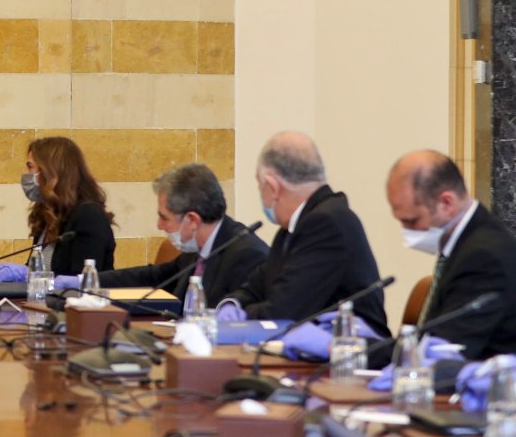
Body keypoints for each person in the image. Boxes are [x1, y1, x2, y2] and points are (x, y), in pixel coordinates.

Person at [219, 131, 389, 336]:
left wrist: (243, 314)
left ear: (273, 187)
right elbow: (258, 285)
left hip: (351, 354)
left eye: (259, 184)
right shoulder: (296, 225)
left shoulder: (326, 224)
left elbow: (283, 312)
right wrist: (233, 303)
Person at [80, 164, 267, 310]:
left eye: (164, 218)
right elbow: (154, 276)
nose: (159, 225)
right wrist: (84, 281)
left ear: (192, 220)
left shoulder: (246, 255)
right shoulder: (197, 247)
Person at [385, 150, 516, 360]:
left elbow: (445, 350)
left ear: (446, 203)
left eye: (412, 221)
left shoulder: (484, 256)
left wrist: (354, 350)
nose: (407, 232)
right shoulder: (466, 241)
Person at [0, 136, 116, 281]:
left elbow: (80, 281)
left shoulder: (88, 215)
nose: (26, 174)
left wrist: (25, 275)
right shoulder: (48, 214)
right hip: (43, 302)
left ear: (50, 172)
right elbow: (37, 272)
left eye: (30, 167)